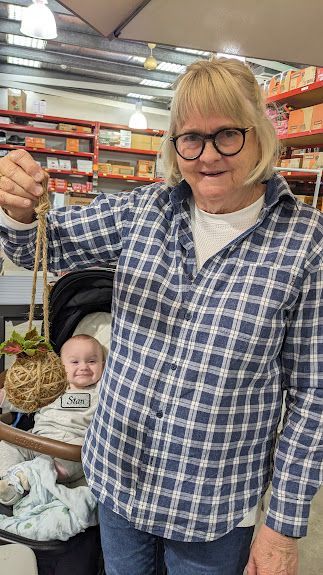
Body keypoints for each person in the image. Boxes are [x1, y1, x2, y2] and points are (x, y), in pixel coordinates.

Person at [0, 58, 322, 575]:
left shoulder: (306, 243)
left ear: (260, 135)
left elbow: (314, 396)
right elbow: (44, 244)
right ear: (173, 145)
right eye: (190, 138)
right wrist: (17, 206)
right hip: (118, 478)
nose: (207, 156)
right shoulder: (145, 210)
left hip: (213, 506)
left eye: (227, 135)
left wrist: (282, 526)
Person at [0, 334, 104, 505]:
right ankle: (10, 481)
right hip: (38, 437)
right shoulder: (52, 387)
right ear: (60, 366)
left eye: (92, 362)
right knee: (6, 446)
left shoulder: (101, 391)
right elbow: (28, 401)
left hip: (71, 446)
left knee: (69, 465)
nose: (84, 367)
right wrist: (4, 398)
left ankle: (24, 478)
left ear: (104, 366)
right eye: (75, 362)